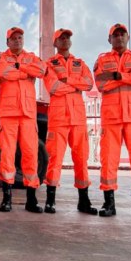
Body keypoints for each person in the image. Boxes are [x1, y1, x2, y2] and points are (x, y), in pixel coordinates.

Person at [93, 23, 131, 220]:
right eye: (115, 35)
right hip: (111, 118)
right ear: (109, 40)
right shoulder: (102, 59)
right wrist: (129, 77)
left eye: (122, 34)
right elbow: (101, 83)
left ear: (127, 37)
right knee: (108, 161)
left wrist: (119, 76)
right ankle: (108, 204)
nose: (119, 38)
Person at [42, 28, 97, 215]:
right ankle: (50, 200)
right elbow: (53, 87)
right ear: (55, 43)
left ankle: (84, 201)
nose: (65, 41)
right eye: (61, 38)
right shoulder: (49, 64)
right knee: (54, 158)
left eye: (67, 38)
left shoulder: (79, 63)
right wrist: (75, 84)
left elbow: (89, 84)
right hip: (58, 118)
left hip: (78, 118)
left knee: (81, 158)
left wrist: (68, 78)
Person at [0, 26, 46, 213]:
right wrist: (26, 72)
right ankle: (6, 199)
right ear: (7, 42)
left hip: (28, 115)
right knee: (7, 155)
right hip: (8, 114)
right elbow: (3, 73)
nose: (17, 41)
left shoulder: (31, 57)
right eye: (13, 38)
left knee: (31, 154)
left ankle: (31, 200)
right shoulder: (2, 57)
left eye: (20, 38)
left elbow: (41, 71)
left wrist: (20, 67)